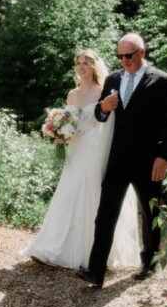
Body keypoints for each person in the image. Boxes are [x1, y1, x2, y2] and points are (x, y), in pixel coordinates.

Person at [76, 33, 167, 289]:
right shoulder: (112, 79)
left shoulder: (163, 81)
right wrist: (103, 107)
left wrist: (163, 157)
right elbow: (101, 117)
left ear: (141, 53)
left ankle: (148, 264)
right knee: (104, 215)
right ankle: (96, 271)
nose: (124, 60)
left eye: (129, 55)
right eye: (120, 56)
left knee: (150, 213)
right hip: (117, 160)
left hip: (149, 161)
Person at [22, 50, 140, 270]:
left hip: (94, 146)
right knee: (67, 194)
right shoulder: (72, 94)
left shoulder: (103, 90)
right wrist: (58, 131)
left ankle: (92, 252)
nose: (81, 66)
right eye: (78, 63)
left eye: (86, 62)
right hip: (75, 148)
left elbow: (106, 121)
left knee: (91, 193)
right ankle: (52, 247)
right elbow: (68, 118)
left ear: (95, 65)